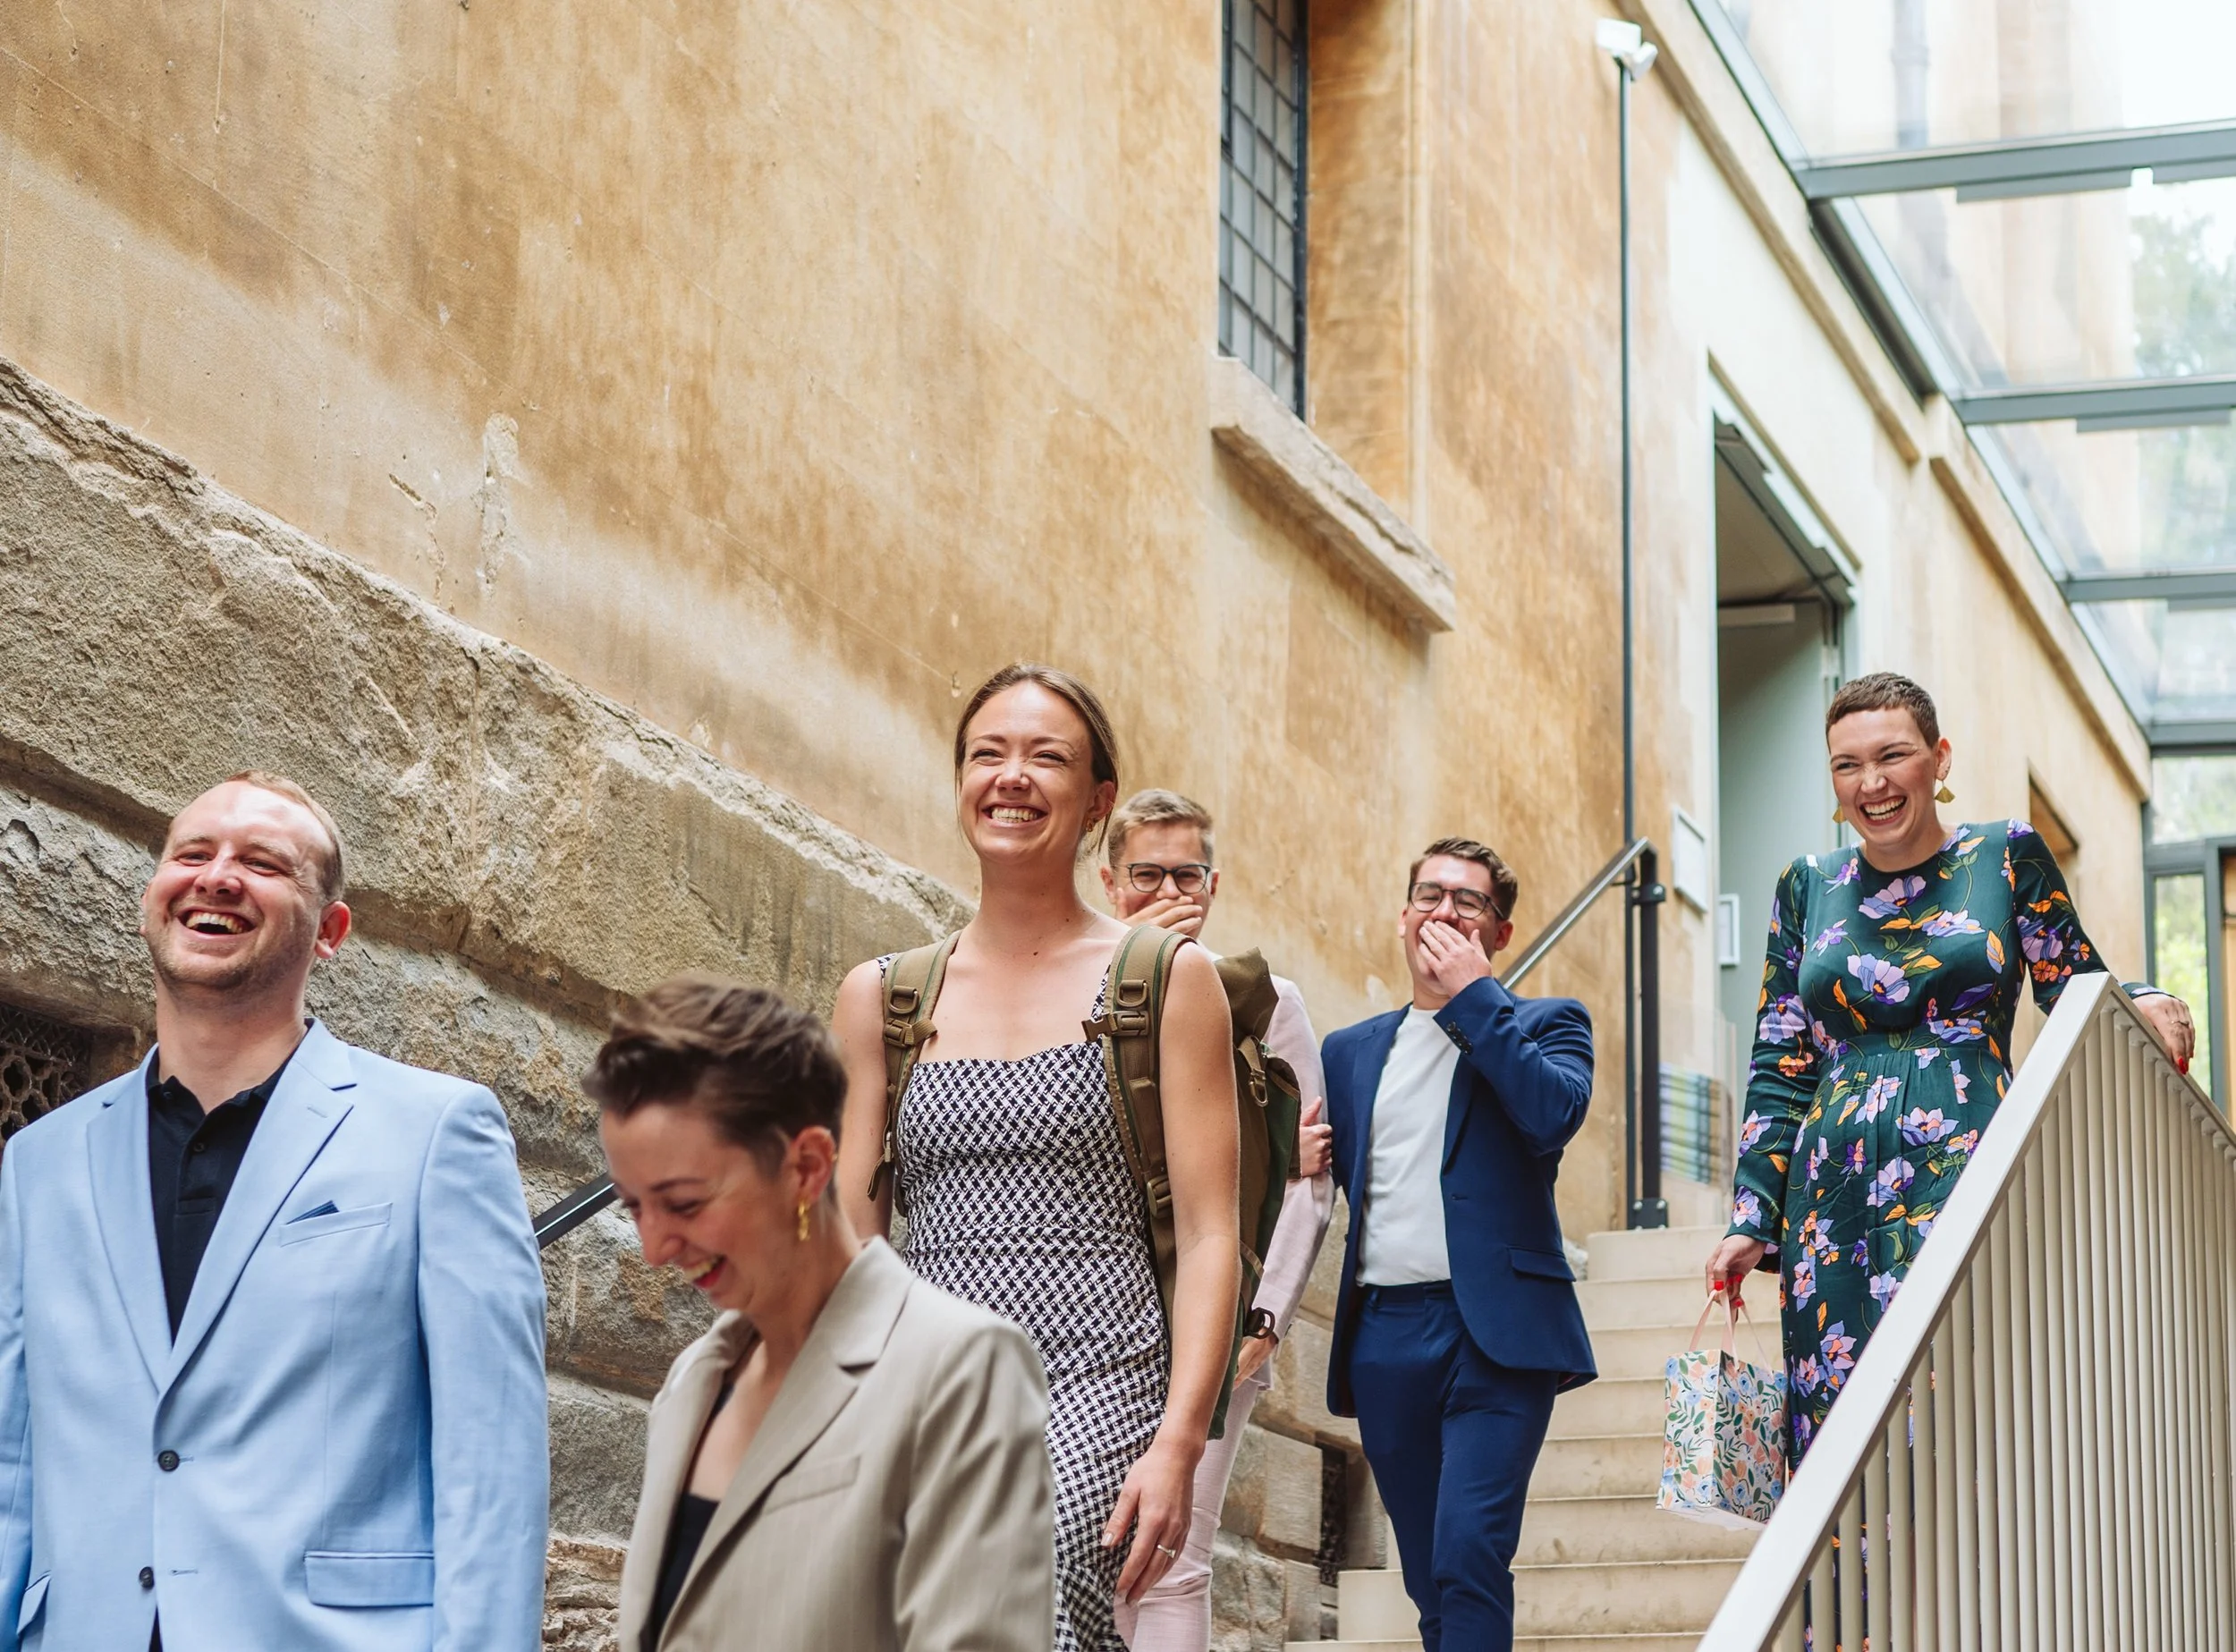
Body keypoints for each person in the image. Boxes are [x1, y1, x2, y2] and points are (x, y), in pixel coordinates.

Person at [0, 773, 548, 1650]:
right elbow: (11, 1467)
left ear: (330, 931)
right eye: (192, 852)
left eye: (261, 862)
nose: (217, 875)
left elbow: (492, 1476)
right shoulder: (39, 1161)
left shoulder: (438, 1132)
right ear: (155, 893)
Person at [833, 664, 1241, 1652]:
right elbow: (849, 1228)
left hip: (1099, 1377)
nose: (1011, 776)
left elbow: (1210, 1229)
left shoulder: (1167, 980)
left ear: (1098, 800)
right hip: (922, 1383)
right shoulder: (882, 996)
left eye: (1045, 757)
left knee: (1030, 1574)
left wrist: (1179, 1438)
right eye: (988, 753)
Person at [1707, 672, 2197, 1459]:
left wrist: (2147, 997)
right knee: (1840, 1431)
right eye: (1846, 764)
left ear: (1938, 758)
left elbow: (2073, 979)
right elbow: (1781, 1055)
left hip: (1969, 1166)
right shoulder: (1807, 885)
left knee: (1966, 1411)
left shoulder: (2005, 854)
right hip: (1829, 1194)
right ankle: (1851, 1589)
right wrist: (1751, 1214)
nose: (1871, 782)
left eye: (1893, 755)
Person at [597, 977, 1056, 1652]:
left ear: (807, 1164)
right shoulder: (692, 1380)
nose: (655, 1247)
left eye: (686, 1203)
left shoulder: (961, 1368)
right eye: (634, 1205)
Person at [1322, 837, 1596, 1652]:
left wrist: (1475, 998)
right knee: (1426, 1574)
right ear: (1404, 914)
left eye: (1467, 901)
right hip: (1386, 1334)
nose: (1443, 911)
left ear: (1499, 933)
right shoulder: (1348, 1051)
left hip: (1500, 1336)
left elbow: (1551, 1116)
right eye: (1429, 895)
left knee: (1470, 1551)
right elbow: (1339, 1179)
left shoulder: (1548, 1024)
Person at [1094, 789, 1335, 1652]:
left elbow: (1311, 1183)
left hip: (1224, 1320)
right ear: (1109, 880)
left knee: (1173, 1556)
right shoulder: (1083, 989)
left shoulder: (1269, 1002)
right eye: (1145, 874)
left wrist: (1263, 1322)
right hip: (1092, 1315)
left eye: (1185, 873)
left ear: (1214, 881)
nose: (1168, 890)